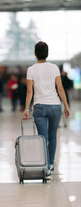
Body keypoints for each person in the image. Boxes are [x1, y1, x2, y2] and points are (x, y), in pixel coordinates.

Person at [23, 41, 70, 178]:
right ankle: (51, 164)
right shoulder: (54, 68)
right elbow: (60, 89)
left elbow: (29, 92)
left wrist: (26, 108)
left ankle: (45, 167)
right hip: (55, 106)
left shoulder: (31, 69)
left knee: (43, 138)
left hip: (39, 107)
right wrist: (66, 105)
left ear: (35, 54)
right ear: (47, 53)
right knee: (53, 136)